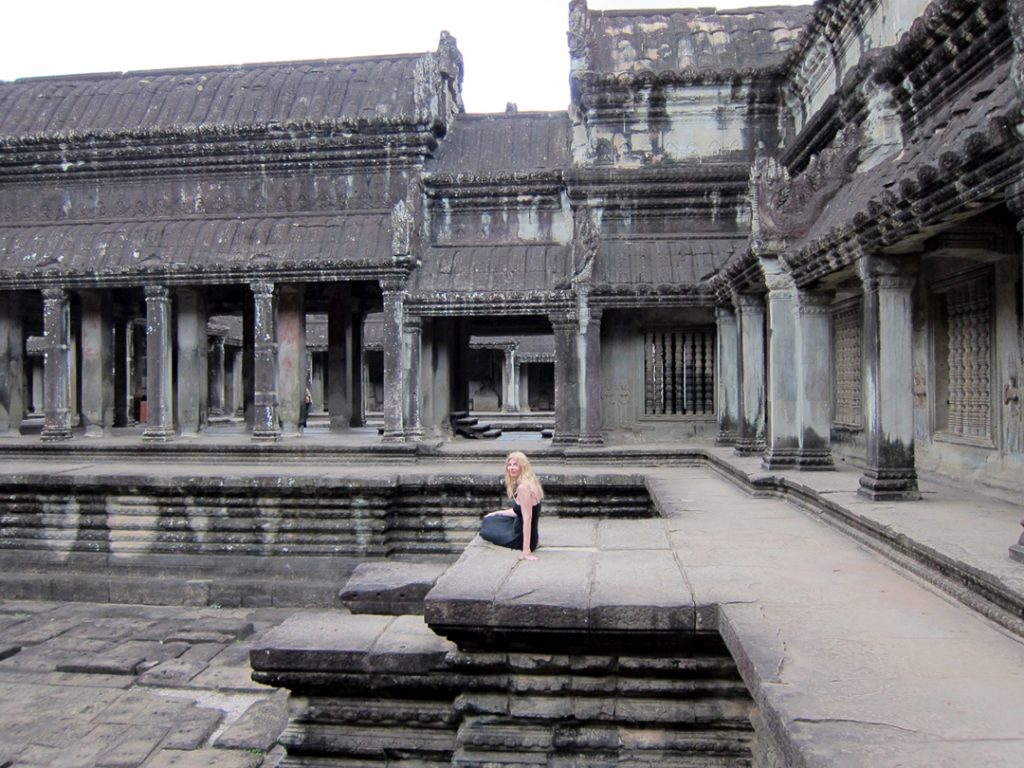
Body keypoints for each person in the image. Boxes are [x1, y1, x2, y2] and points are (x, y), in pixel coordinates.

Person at [480, 451, 543, 561]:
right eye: (509, 465)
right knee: (491, 519)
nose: (511, 468)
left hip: (518, 538)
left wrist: (526, 551)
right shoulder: (532, 482)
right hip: (527, 534)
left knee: (486, 529)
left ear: (523, 466)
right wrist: (497, 513)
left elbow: (527, 519)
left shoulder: (523, 488)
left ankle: (526, 547)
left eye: (515, 464)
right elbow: (518, 511)